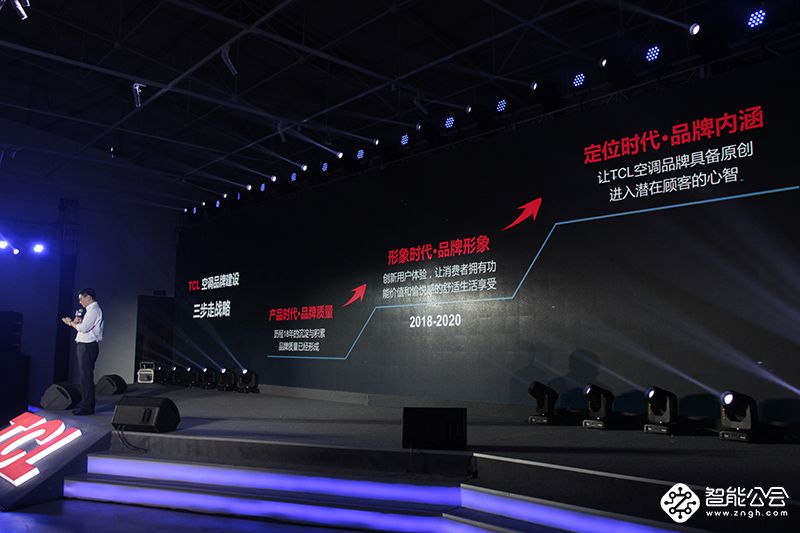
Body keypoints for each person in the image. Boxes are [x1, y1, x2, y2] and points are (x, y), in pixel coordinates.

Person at [61, 288, 104, 415]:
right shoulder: (89, 311)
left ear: (88, 297)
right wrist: (76, 322)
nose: (80, 302)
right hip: (85, 345)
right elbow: (83, 327)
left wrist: (70, 323)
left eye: (81, 299)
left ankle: (87, 407)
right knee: (84, 376)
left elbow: (84, 329)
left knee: (86, 377)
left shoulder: (94, 310)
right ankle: (86, 404)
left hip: (87, 346)